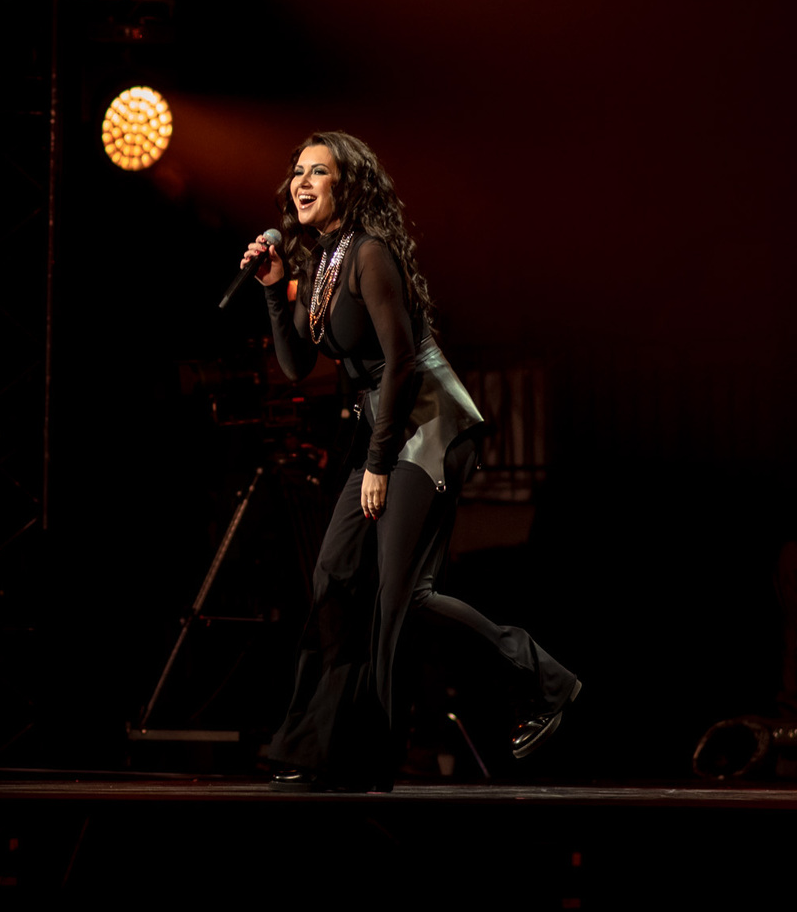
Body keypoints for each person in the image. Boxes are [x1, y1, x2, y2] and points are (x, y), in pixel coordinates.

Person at [241, 131, 579, 791]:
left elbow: (399, 362)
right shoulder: (321, 261)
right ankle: (321, 746)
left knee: (403, 598)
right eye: (297, 171)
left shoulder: (370, 253)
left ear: (348, 185)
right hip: (387, 430)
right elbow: (297, 365)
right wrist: (274, 290)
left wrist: (376, 461)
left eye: (318, 172)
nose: (301, 182)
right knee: (335, 576)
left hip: (426, 425)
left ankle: (542, 681)